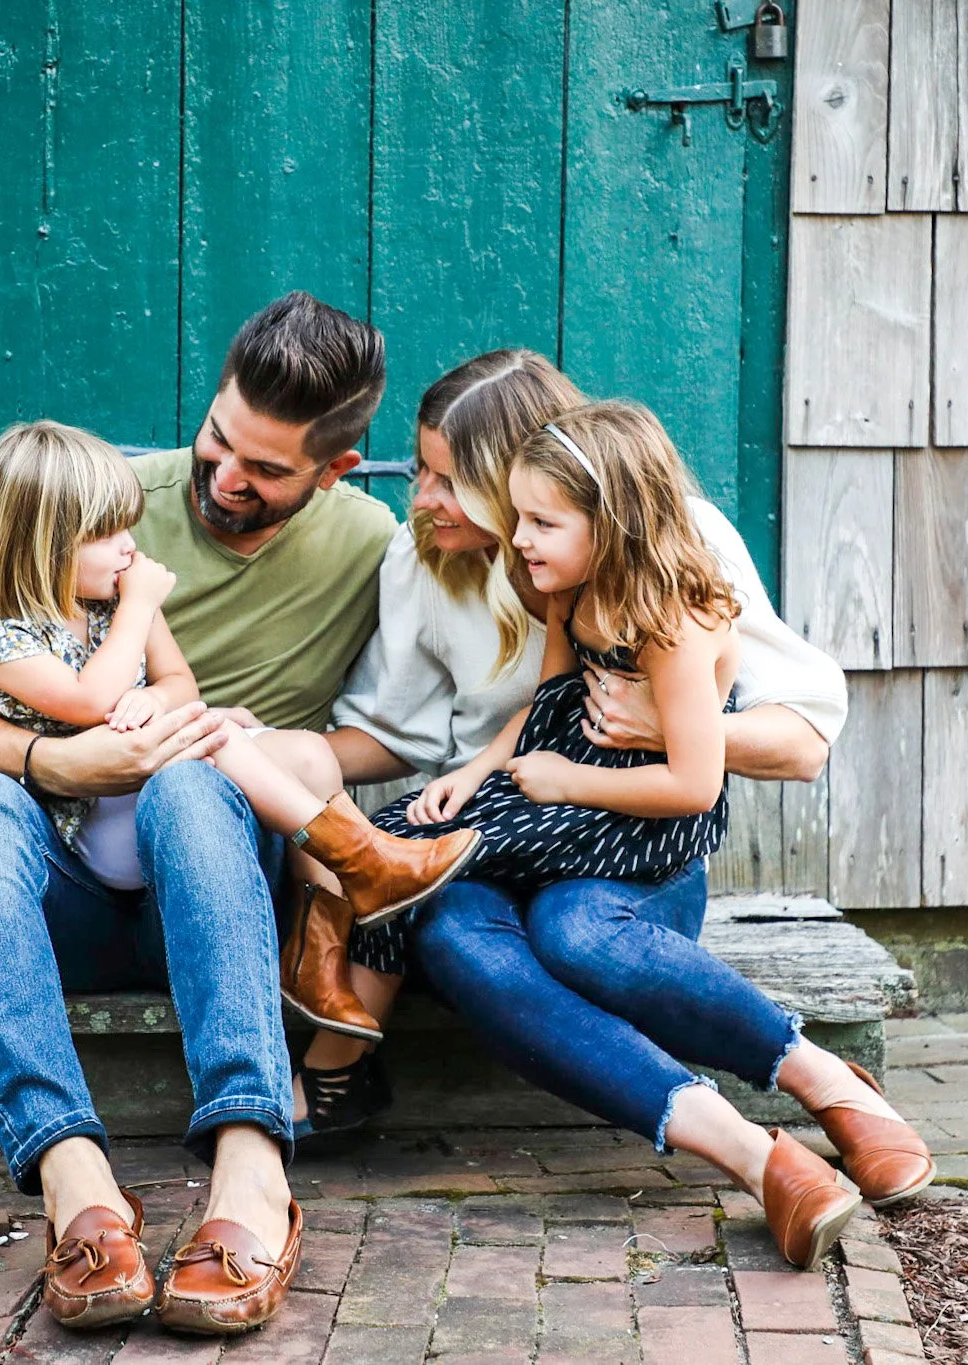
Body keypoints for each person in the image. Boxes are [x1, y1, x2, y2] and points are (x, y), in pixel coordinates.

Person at [297, 357, 935, 1268]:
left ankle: (827, 1081)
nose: (424, 496)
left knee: (579, 931)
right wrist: (293, 756)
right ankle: (758, 1158)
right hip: (504, 827)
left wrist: (667, 727)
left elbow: (797, 742)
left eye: (448, 477)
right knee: (440, 925)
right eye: (423, 469)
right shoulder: (436, 557)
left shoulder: (675, 549)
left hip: (624, 843)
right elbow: (397, 727)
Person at [0, 293, 401, 1335]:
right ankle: (73, 1178)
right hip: (67, 892)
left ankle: (251, 1168)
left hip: (217, 884)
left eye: (264, 471)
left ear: (333, 471)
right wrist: (60, 759)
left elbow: (423, 713)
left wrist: (259, 743)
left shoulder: (371, 544)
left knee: (191, 779)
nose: (223, 478)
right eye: (218, 440)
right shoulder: (95, 500)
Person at [0, 419, 479, 917]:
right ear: (40, 546)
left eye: (128, 529)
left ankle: (339, 908)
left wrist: (155, 700)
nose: (130, 547)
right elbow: (89, 701)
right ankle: (365, 861)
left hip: (159, 802)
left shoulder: (114, 601)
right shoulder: (4, 639)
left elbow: (180, 685)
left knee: (302, 750)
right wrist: (140, 609)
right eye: (106, 534)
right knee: (213, 735)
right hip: (96, 828)